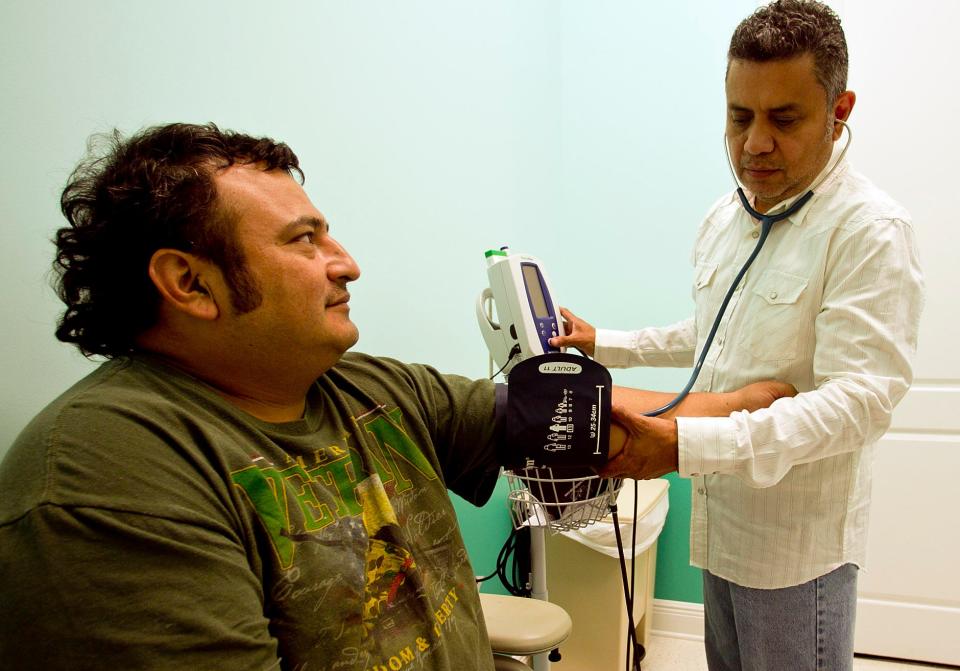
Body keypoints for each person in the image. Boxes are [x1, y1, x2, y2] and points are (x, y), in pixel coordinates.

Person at [0, 123, 793, 671]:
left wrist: (756, 401)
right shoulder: (106, 476)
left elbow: (590, 421)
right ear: (190, 283)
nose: (345, 262)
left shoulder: (368, 388)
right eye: (302, 239)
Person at [551, 2, 925, 669]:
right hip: (722, 530)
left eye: (784, 119)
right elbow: (715, 333)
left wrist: (684, 443)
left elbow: (857, 404)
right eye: (738, 116)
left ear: (840, 111)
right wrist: (602, 340)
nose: (754, 143)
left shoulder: (869, 232)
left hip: (795, 554)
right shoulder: (729, 218)